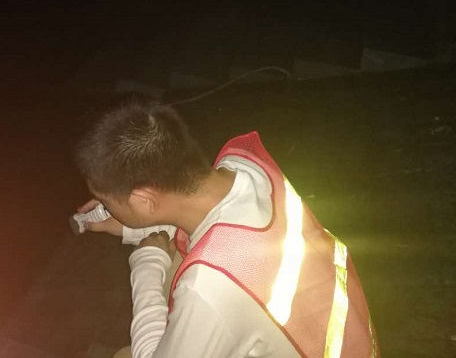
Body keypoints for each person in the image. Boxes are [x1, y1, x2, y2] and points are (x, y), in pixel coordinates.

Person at [75, 99, 379, 358]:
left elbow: (209, 283)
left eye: (107, 201)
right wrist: (134, 226)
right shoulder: (245, 166)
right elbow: (196, 213)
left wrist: (147, 260)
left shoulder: (210, 284)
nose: (106, 207)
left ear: (144, 200)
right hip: (345, 332)